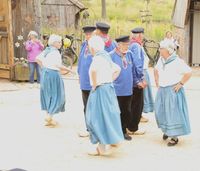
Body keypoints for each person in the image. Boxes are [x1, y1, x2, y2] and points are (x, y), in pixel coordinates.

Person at [86, 35, 124, 155]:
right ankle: (112, 140)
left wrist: (95, 84)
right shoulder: (106, 56)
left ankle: (101, 148)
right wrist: (110, 79)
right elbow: (117, 69)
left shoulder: (97, 58)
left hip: (100, 90)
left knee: (97, 117)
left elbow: (93, 71)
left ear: (92, 48)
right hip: (108, 89)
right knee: (109, 115)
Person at [154, 39, 192, 146]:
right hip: (162, 90)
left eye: (161, 48)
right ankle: (167, 130)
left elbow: (189, 72)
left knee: (172, 113)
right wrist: (157, 80)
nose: (159, 50)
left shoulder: (177, 61)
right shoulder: (161, 59)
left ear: (168, 50)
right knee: (161, 111)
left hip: (172, 90)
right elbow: (156, 69)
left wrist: (181, 83)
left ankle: (174, 137)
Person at [36, 34, 73, 127]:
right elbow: (58, 65)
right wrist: (70, 70)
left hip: (45, 74)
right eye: (59, 42)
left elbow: (37, 59)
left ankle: (49, 118)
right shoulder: (55, 52)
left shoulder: (47, 50)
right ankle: (49, 116)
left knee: (48, 94)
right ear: (54, 43)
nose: (61, 43)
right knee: (58, 95)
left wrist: (44, 68)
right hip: (53, 74)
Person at [110, 35, 133, 141]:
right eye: (125, 45)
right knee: (115, 112)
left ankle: (123, 131)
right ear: (118, 45)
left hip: (128, 89)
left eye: (128, 45)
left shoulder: (129, 54)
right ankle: (115, 132)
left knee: (127, 111)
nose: (127, 47)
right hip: (116, 90)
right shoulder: (111, 56)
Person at [127, 27, 147, 135]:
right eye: (142, 34)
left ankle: (129, 126)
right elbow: (137, 64)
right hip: (136, 81)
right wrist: (140, 80)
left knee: (131, 104)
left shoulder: (130, 44)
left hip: (131, 79)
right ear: (140, 35)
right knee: (137, 106)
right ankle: (132, 128)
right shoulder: (137, 46)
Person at [77, 25, 96, 137]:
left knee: (93, 106)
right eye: (86, 34)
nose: (88, 36)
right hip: (84, 81)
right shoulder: (84, 45)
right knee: (86, 105)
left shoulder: (96, 47)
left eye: (90, 34)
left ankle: (93, 128)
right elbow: (80, 61)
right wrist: (79, 74)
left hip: (93, 82)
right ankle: (88, 127)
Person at [141, 45, 154, 122]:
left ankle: (140, 114)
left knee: (144, 95)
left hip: (145, 71)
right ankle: (139, 115)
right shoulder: (136, 46)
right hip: (142, 71)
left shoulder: (141, 47)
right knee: (142, 95)